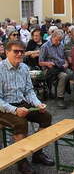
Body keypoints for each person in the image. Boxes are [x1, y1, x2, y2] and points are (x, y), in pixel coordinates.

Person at [0, 40, 54, 174]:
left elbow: (29, 91)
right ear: (7, 52)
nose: (19, 54)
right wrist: (15, 110)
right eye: (15, 51)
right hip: (3, 107)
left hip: (20, 103)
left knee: (46, 117)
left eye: (21, 52)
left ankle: (37, 154)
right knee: (21, 122)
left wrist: (37, 104)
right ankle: (22, 161)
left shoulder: (24, 67)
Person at [39, 29, 68, 108]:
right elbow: (40, 62)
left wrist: (66, 63)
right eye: (56, 40)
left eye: (60, 40)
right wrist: (48, 63)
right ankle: (60, 98)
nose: (58, 42)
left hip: (60, 67)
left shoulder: (61, 45)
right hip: (49, 69)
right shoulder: (45, 46)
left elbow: (64, 58)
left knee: (67, 74)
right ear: (52, 37)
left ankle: (61, 94)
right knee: (63, 76)